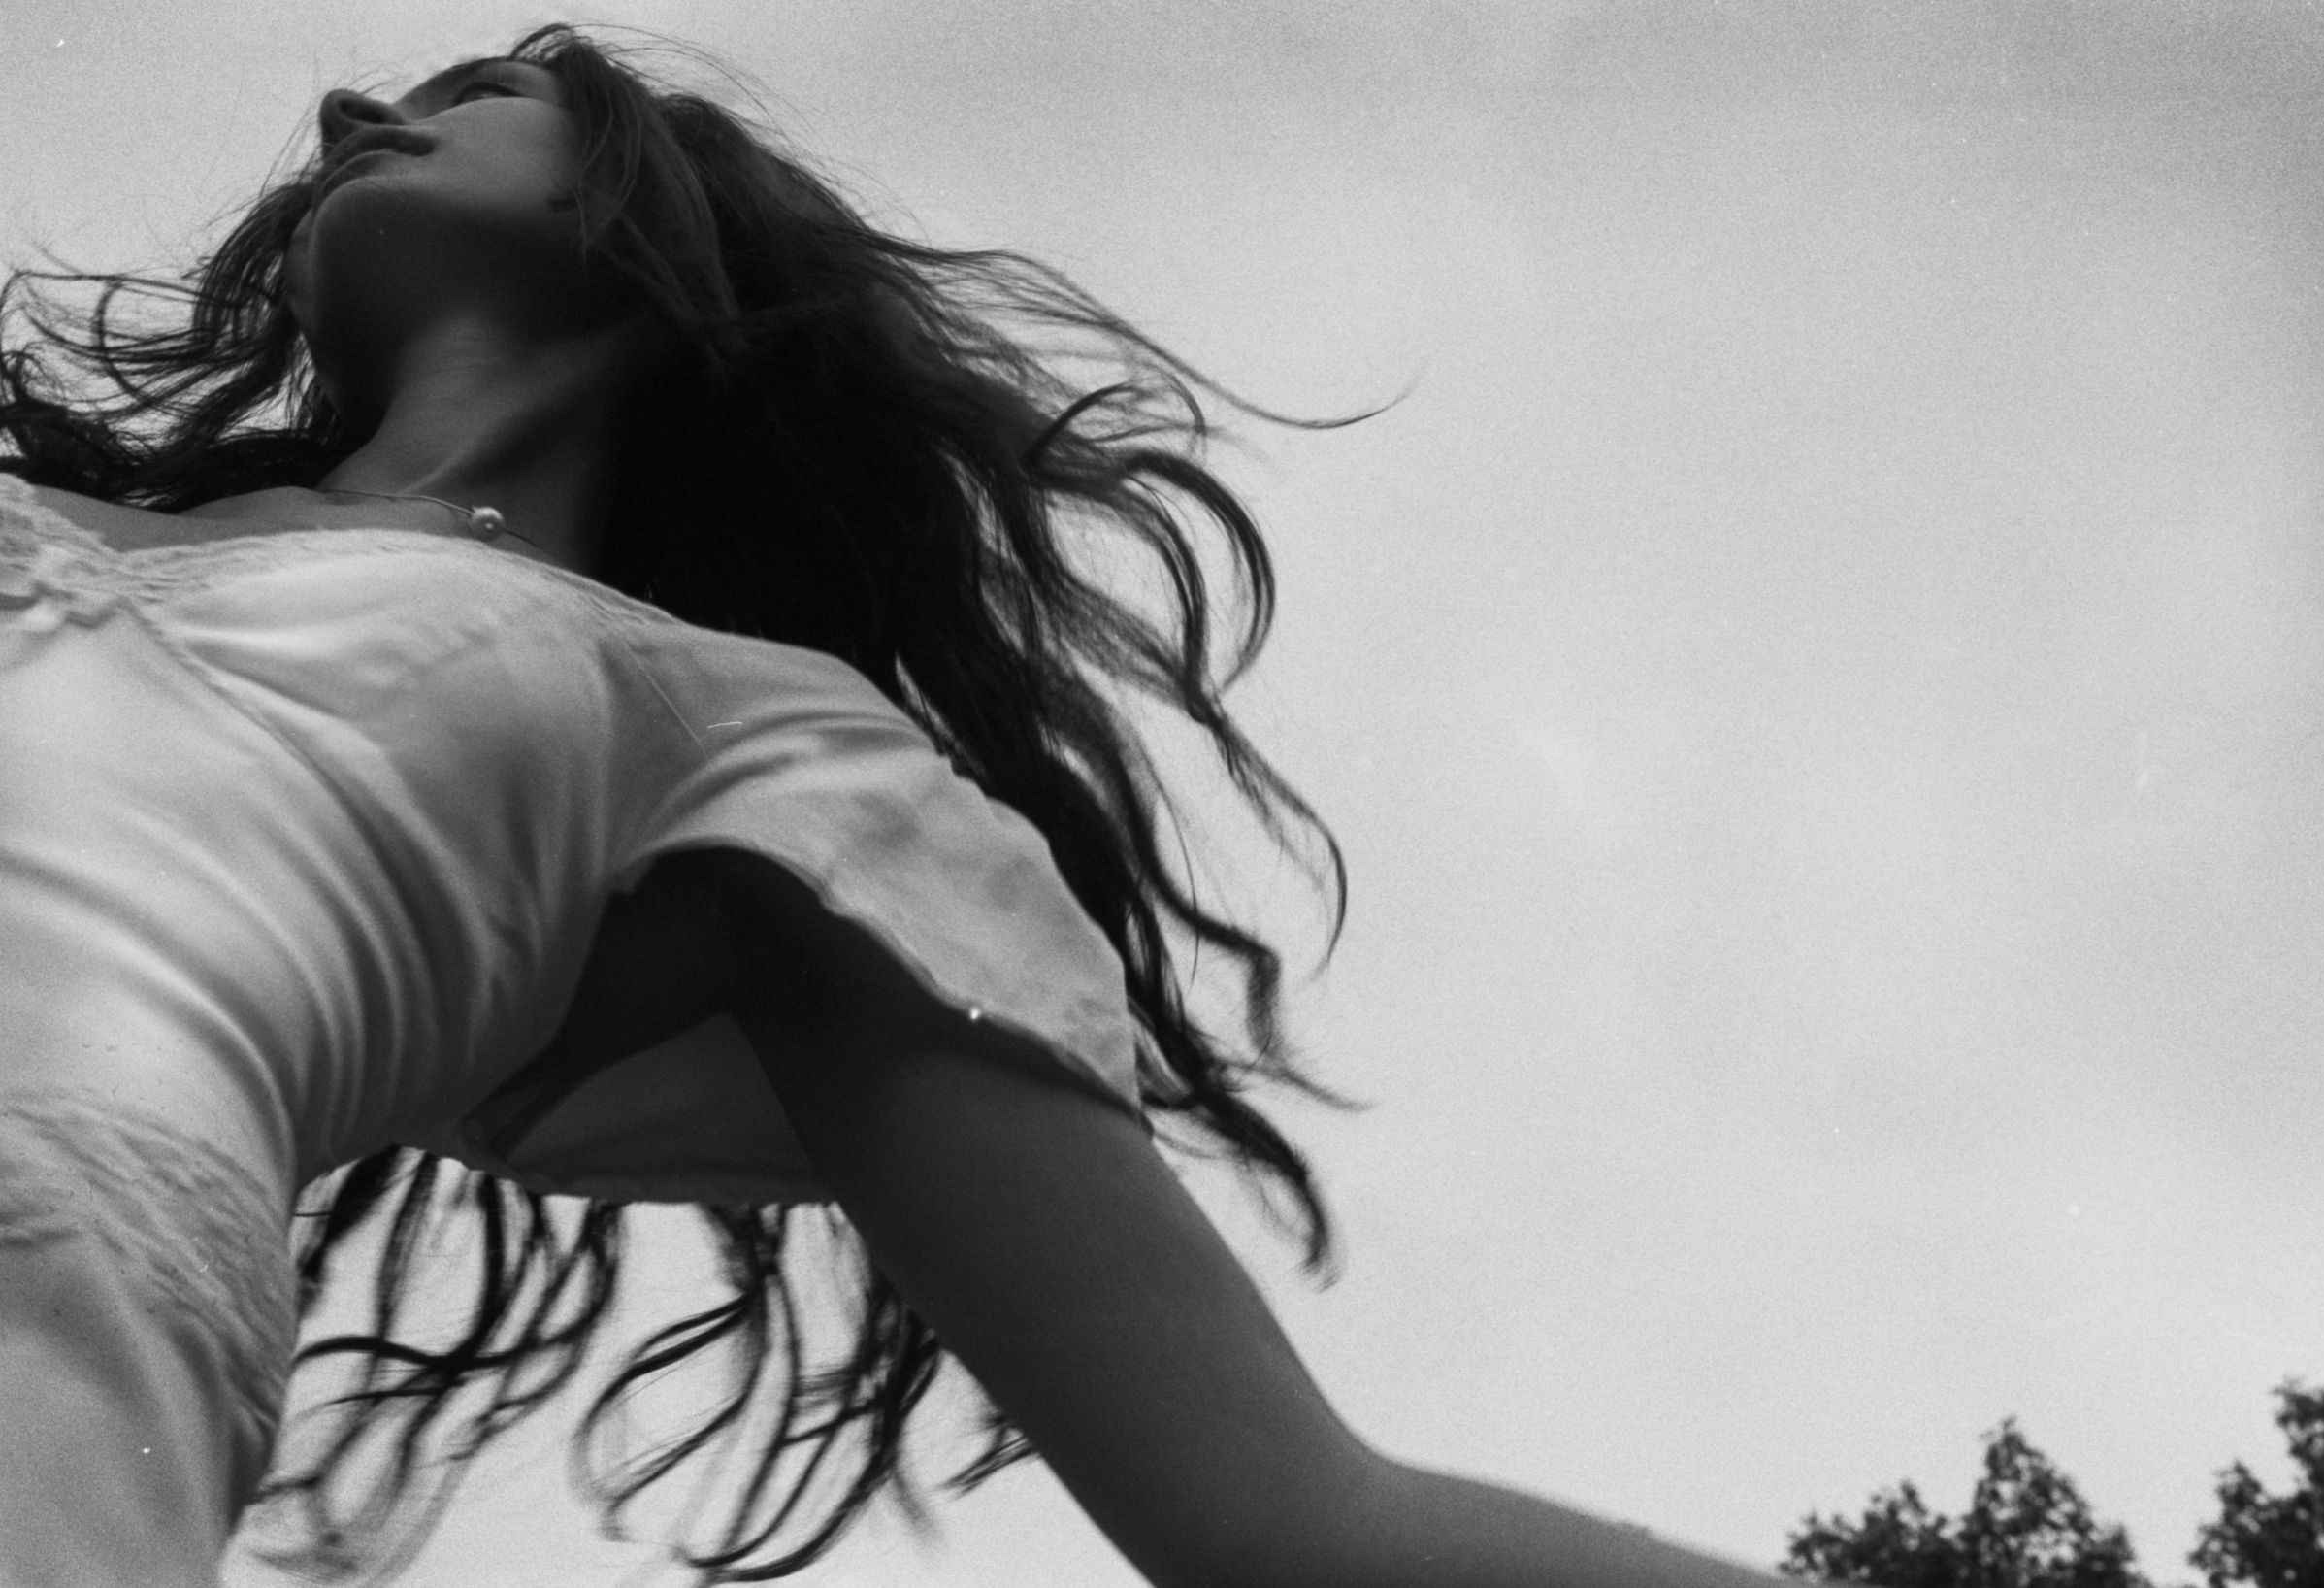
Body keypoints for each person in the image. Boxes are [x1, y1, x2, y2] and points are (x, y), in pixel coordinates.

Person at [0, 24, 1800, 1588]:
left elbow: (1297, 1524)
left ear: (650, 205)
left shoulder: (741, 736)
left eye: (472, 95)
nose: (342, 111)